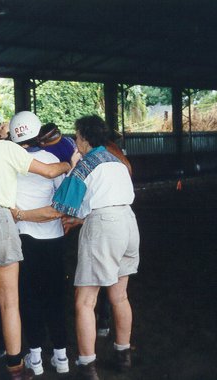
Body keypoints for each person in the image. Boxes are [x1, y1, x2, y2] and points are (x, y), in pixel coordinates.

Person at [0, 98, 71, 380]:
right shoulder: (7, 150)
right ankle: (16, 369)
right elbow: (50, 171)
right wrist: (69, 161)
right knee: (9, 303)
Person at [54, 115, 139, 379]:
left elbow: (63, 203)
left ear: (85, 138)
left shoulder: (87, 163)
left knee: (85, 301)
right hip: (128, 223)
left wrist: (72, 166)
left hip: (103, 227)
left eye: (77, 136)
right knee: (120, 296)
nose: (75, 141)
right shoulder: (116, 161)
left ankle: (87, 365)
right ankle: (123, 354)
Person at [9, 112, 70, 376]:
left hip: (22, 237)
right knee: (55, 297)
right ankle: (62, 357)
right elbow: (65, 199)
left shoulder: (10, 162)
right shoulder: (51, 159)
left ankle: (35, 360)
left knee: (28, 298)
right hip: (53, 238)